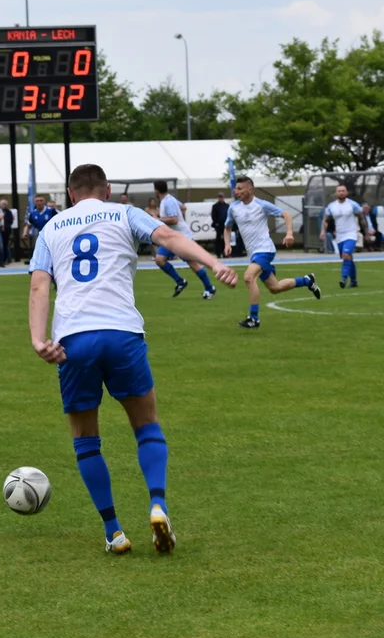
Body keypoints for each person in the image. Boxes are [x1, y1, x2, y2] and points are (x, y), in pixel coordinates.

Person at [28, 163, 237, 554]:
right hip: (122, 332)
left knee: (86, 441)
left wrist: (39, 340)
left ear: (71, 194)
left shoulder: (51, 227)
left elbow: (40, 284)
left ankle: (114, 533)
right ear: (106, 190)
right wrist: (214, 263)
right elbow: (168, 236)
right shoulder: (124, 212)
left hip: (73, 339)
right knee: (146, 426)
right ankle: (157, 504)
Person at [224, 177, 320, 329]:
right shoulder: (233, 208)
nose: (236, 191)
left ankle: (254, 318)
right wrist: (227, 243)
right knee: (275, 288)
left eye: (240, 188)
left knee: (249, 277)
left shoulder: (261, 205)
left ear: (250, 189)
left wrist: (289, 233)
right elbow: (227, 227)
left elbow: (286, 214)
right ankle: (307, 281)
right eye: (236, 189)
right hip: (254, 253)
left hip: (265, 249)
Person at [152, 180, 218, 299]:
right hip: (171, 237)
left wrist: (158, 219)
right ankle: (180, 281)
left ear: (156, 190)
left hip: (182, 237)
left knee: (192, 263)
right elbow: (184, 207)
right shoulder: (168, 200)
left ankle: (210, 288)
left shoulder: (168, 202)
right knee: (159, 259)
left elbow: (174, 220)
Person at [320, 185, 365, 289]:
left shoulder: (353, 205)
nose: (341, 192)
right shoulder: (331, 206)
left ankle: (343, 278)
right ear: (336, 193)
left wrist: (367, 232)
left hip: (351, 234)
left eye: (343, 191)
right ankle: (354, 281)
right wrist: (323, 231)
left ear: (346, 192)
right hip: (339, 235)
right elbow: (325, 220)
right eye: (339, 191)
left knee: (346, 254)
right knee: (348, 257)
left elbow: (362, 218)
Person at [23, 194, 57, 260]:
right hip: (39, 236)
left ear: (44, 202)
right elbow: (28, 225)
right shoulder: (33, 214)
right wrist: (25, 233)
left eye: (41, 200)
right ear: (34, 202)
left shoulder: (51, 211)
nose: (39, 202)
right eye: (37, 201)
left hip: (51, 235)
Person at [211, 192, 229, 258]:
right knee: (218, 239)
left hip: (225, 224)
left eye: (221, 197)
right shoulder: (215, 206)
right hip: (219, 225)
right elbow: (213, 216)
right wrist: (216, 223)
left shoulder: (227, 206)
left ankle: (225, 253)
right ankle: (218, 253)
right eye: (219, 197)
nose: (220, 198)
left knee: (225, 239)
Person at [0, 199, 15, 264]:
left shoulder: (9, 212)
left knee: (5, 245)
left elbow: (11, 221)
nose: (4, 205)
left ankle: (6, 259)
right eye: (3, 204)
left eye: (5, 204)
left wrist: (5, 226)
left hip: (6, 231)